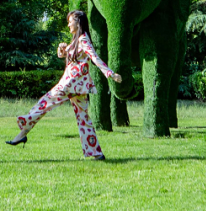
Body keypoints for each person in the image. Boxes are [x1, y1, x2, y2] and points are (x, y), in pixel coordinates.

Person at [7, 10, 122, 160]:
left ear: (78, 22)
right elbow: (65, 56)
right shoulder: (77, 39)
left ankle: (24, 127)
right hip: (77, 85)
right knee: (83, 118)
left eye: (70, 21)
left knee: (46, 102)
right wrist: (61, 49)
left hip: (71, 83)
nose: (68, 24)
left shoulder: (82, 39)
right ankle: (96, 154)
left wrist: (110, 73)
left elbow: (94, 57)